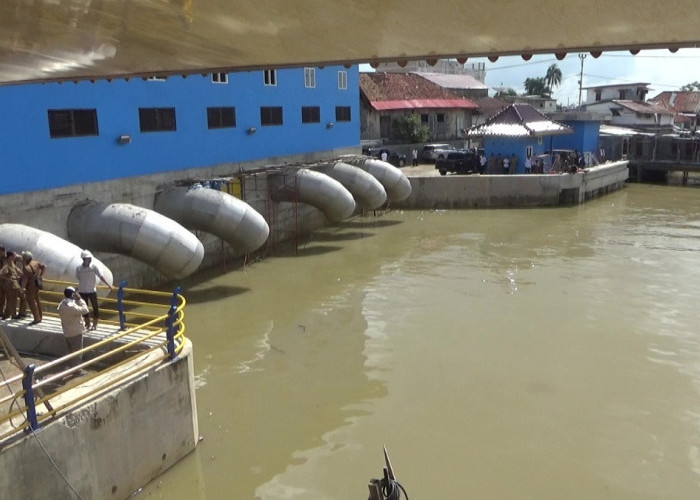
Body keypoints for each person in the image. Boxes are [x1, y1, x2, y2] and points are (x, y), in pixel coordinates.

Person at [75, 250, 114, 331]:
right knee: (84, 308)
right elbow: (79, 278)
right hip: (82, 291)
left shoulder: (94, 267)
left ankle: (95, 324)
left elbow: (101, 276)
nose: (89, 260)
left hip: (92, 291)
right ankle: (87, 323)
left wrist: (108, 285)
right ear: (83, 259)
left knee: (95, 308)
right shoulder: (78, 268)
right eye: (87, 259)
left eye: (90, 258)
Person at [57, 286, 89, 368]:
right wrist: (80, 300)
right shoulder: (71, 306)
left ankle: (72, 366)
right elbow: (85, 310)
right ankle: (77, 370)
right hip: (75, 332)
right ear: (72, 295)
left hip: (67, 332)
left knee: (71, 351)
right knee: (77, 353)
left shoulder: (62, 303)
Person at [19, 251, 46, 325]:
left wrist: (22, 288)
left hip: (30, 287)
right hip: (37, 284)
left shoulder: (26, 268)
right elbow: (44, 267)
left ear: (26, 259)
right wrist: (41, 276)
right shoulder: (36, 263)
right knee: (37, 301)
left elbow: (25, 279)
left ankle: (36, 318)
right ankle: (40, 316)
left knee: (31, 302)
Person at [0, 251, 25, 320]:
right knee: (12, 300)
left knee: (22, 297)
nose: (15, 256)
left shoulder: (12, 264)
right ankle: (13, 315)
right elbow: (1, 275)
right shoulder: (6, 265)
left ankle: (20, 313)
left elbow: (18, 271)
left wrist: (22, 274)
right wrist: (8, 279)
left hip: (16, 284)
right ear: (10, 256)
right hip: (11, 285)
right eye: (14, 255)